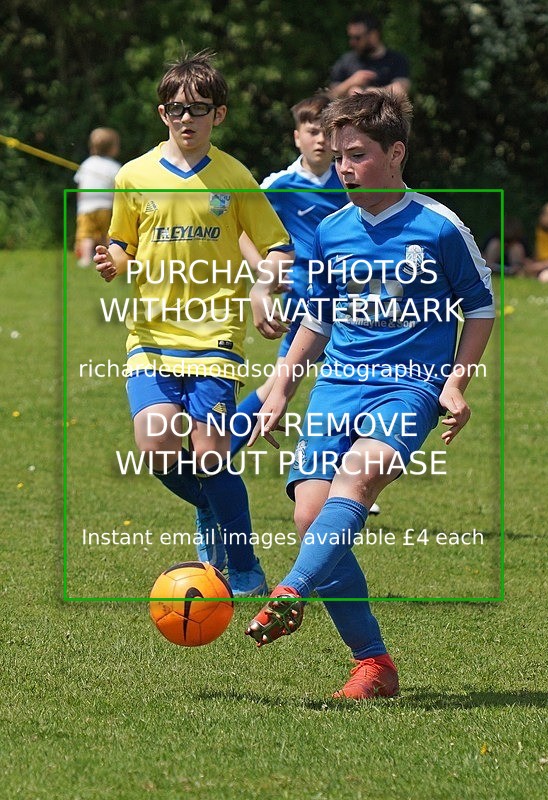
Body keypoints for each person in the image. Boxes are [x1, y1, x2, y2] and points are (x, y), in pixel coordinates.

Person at [245, 91, 495, 699]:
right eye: (338, 157)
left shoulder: (439, 226)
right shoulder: (331, 230)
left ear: (396, 152)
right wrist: (281, 385)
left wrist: (456, 380)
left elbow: (481, 307)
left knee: (356, 483)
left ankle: (289, 594)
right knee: (310, 514)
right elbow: (318, 320)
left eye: (357, 155)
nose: (345, 168)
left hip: (409, 386)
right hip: (337, 384)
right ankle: (375, 665)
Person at [93, 51, 294, 596]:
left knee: (208, 455)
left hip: (215, 335)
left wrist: (261, 284)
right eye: (176, 109)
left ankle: (244, 561)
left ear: (218, 115)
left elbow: (277, 248)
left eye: (199, 109)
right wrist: (114, 257)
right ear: (163, 114)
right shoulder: (134, 174)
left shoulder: (235, 176)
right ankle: (217, 514)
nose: (187, 118)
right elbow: (121, 239)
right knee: (157, 449)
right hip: (152, 336)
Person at [194, 94, 352, 567]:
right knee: (281, 386)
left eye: (327, 130)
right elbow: (246, 229)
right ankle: (218, 467)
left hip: (354, 310)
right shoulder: (278, 185)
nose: (320, 138)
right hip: (306, 310)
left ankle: (338, 481)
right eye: (311, 129)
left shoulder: (352, 181)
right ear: (297, 135)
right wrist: (265, 281)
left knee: (325, 387)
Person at [327, 12, 410, 99]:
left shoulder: (397, 60)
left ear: (373, 35)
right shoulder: (346, 61)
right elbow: (331, 95)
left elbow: (401, 91)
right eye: (350, 37)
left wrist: (369, 93)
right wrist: (351, 82)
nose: (352, 42)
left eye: (357, 38)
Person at [74, 128, 121, 267]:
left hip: (85, 206)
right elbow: (117, 189)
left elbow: (80, 186)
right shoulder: (114, 166)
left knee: (86, 234)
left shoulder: (86, 164)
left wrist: (79, 205)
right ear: (112, 148)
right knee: (107, 234)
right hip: (106, 206)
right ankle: (110, 257)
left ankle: (85, 259)